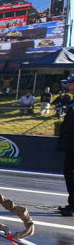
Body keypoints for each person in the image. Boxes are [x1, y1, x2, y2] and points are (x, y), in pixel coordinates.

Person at [56, 79, 74, 216]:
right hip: (70, 145)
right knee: (69, 173)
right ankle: (72, 203)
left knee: (70, 173)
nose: (68, 86)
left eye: (71, 83)